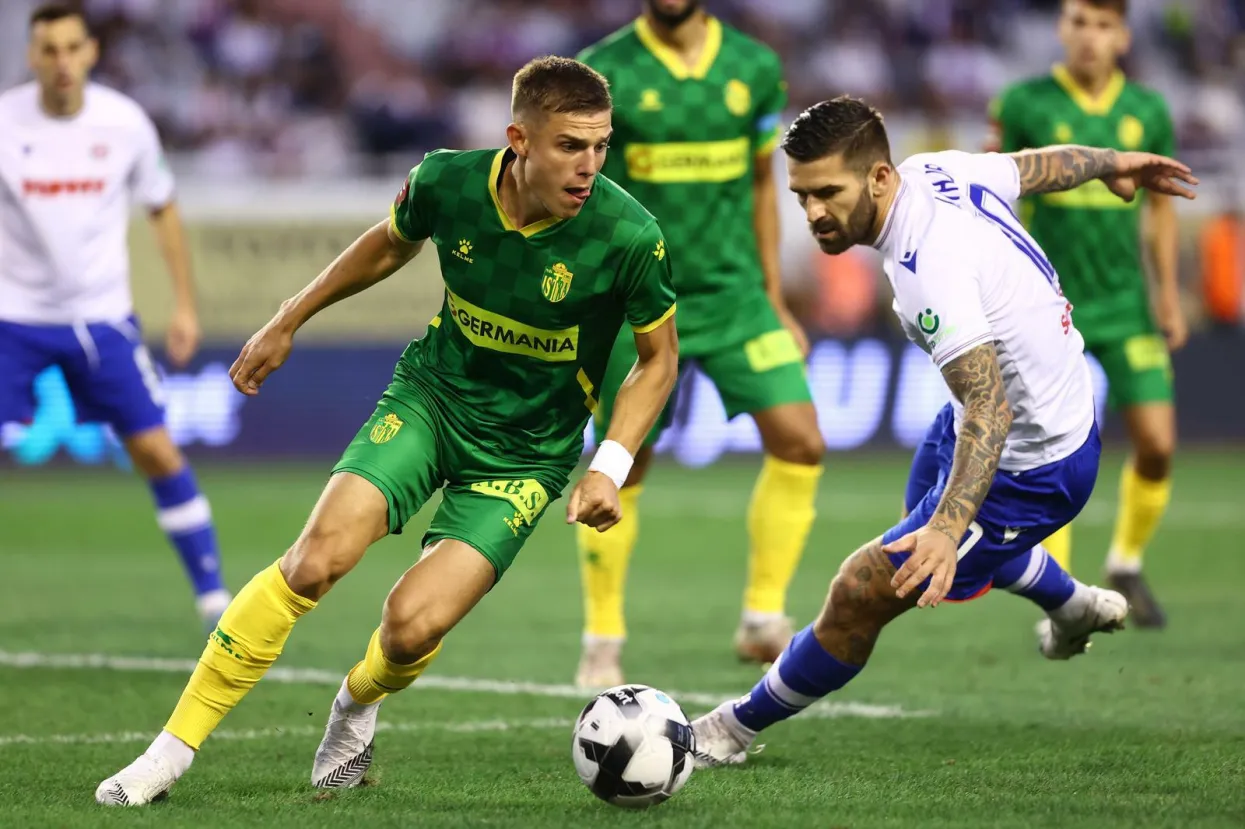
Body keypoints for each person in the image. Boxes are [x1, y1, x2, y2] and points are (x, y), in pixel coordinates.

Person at [94, 55, 679, 806]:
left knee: (408, 629)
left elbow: (657, 362)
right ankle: (167, 753)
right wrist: (286, 319)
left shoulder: (628, 234)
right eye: (571, 145)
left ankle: (355, 704)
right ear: (519, 139)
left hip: (526, 454)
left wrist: (610, 459)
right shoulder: (448, 181)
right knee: (314, 560)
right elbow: (388, 242)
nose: (589, 166)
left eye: (601, 145)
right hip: (431, 401)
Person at [689, 96, 1198, 766]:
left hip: (1033, 466)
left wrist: (948, 526)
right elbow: (1027, 168)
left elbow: (992, 410)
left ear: (877, 178)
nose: (812, 213)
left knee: (862, 590)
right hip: (997, 417)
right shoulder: (932, 171)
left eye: (827, 193)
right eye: (801, 195)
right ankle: (1070, 604)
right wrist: (1109, 163)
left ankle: (728, 730)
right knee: (923, 531)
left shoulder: (928, 266)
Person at [573, 0, 823, 688]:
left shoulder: (753, 67)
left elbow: (758, 187)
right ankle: (602, 637)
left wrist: (775, 298)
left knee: (800, 438)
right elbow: (582, 196)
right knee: (622, 465)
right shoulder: (602, 70)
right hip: (639, 300)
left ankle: (762, 616)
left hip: (737, 296)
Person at [0, 4, 230, 630]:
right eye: (49, 50)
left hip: (101, 320)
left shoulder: (124, 124)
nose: (62, 62)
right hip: (12, 319)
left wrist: (184, 305)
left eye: (73, 48)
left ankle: (215, 599)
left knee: (157, 450)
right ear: (32, 56)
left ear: (92, 52)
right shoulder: (4, 121)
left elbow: (162, 207)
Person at [988, 0, 1183, 627]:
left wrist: (1169, 293)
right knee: (1050, 451)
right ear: (1061, 29)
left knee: (1156, 442)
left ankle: (1125, 560)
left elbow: (1158, 208)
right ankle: (1062, 600)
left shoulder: (1147, 111)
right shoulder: (1024, 103)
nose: (1089, 37)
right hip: (1051, 307)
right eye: (1078, 22)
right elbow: (993, 189)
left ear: (1123, 35)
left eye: (1102, 25)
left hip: (1127, 307)